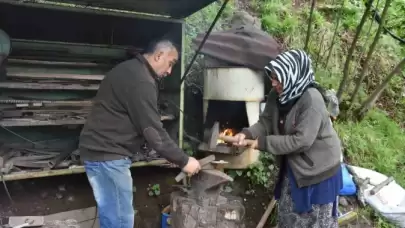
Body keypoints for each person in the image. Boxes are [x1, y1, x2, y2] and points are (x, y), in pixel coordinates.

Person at [79, 39, 201, 228]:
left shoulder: (130, 69)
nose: (169, 72)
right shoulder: (141, 80)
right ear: (159, 55)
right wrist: (184, 161)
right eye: (171, 64)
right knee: (119, 222)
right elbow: (153, 131)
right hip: (108, 157)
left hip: (101, 153)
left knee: (112, 218)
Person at [233, 49, 343, 228]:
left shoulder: (312, 100)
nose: (274, 82)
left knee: (315, 221)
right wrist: (247, 134)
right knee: (288, 214)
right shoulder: (277, 96)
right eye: (273, 77)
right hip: (294, 165)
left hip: (319, 170)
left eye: (278, 78)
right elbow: (266, 122)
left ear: (293, 75)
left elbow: (302, 140)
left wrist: (263, 143)